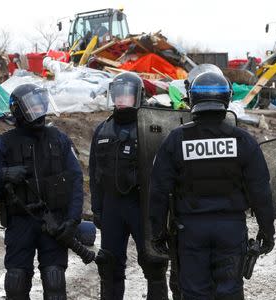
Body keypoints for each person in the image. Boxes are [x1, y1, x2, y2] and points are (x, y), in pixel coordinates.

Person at [148, 71, 276, 299]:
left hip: (190, 229)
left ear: (192, 99)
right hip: (231, 228)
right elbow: (261, 191)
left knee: (195, 293)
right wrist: (267, 230)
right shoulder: (243, 141)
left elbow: (158, 190)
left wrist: (157, 233)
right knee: (230, 292)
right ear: (225, 100)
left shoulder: (176, 140)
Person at [0, 83, 84, 299]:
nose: (37, 112)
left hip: (54, 222)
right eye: (31, 108)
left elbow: (76, 181)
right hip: (20, 223)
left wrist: (72, 221)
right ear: (19, 111)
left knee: (55, 281)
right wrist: (5, 174)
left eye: (40, 106)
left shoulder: (59, 140)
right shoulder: (0, 145)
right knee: (16, 283)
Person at [89, 72, 168, 299]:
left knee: (154, 264)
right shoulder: (102, 130)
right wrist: (97, 208)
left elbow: (165, 173)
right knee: (109, 266)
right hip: (112, 207)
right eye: (117, 94)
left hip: (142, 206)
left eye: (127, 95)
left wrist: (162, 211)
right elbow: (94, 173)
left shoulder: (151, 127)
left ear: (138, 96)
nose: (121, 99)